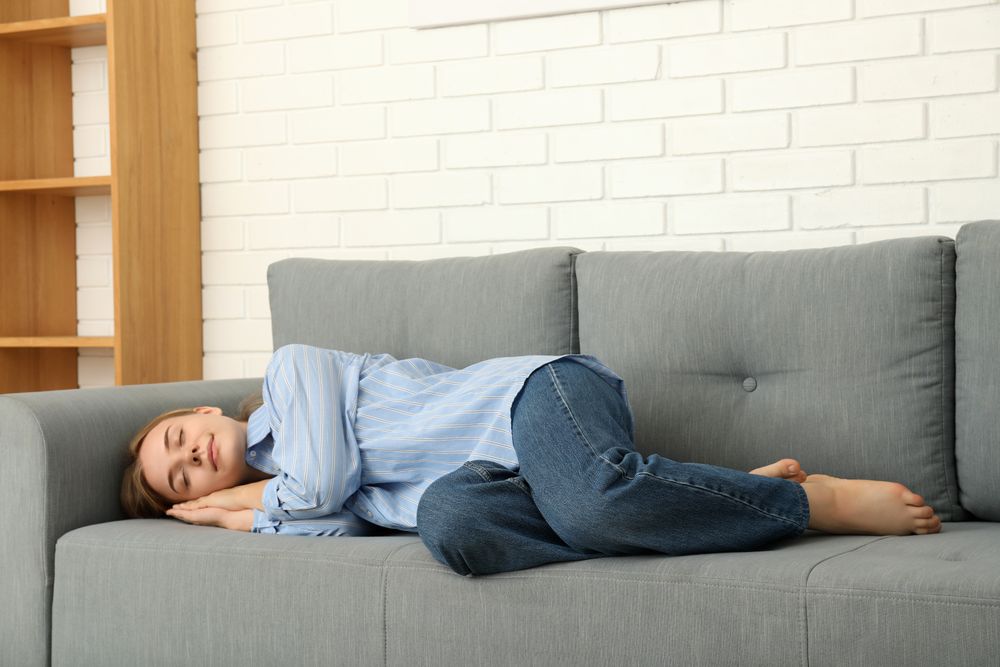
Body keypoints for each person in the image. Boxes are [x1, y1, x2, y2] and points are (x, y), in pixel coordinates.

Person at [121, 343, 942, 577]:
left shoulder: (289, 373)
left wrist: (243, 505)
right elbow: (336, 524)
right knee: (449, 525)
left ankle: (809, 504)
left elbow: (327, 485)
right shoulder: (284, 498)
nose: (191, 457)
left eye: (176, 441)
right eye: (183, 481)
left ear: (199, 411)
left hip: (535, 400)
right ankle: (715, 495)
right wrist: (245, 514)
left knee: (587, 501)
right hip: (506, 487)